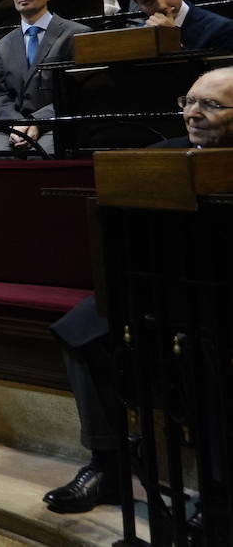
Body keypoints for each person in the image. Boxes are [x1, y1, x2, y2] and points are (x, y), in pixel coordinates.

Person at [43, 66, 233, 515]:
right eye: (188, 102)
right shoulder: (157, 158)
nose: (193, 114)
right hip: (161, 292)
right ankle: (107, 464)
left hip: (220, 302)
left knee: (204, 354)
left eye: (211, 105)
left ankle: (220, 492)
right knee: (80, 329)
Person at [0, 0, 92, 156]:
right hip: (13, 124)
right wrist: (17, 124)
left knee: (40, 157)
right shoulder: (3, 45)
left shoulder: (76, 35)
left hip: (57, 122)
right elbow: (1, 96)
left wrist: (38, 122)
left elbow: (78, 91)